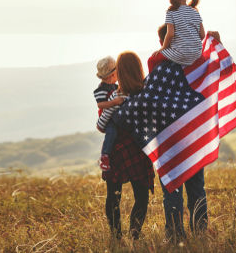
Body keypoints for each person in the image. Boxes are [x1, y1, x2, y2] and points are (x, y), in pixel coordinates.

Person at [149, 23, 218, 242]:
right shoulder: (192, 62)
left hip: (168, 140)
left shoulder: (155, 62)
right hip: (191, 137)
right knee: (196, 187)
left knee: (172, 189)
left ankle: (175, 234)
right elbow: (212, 63)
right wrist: (212, 39)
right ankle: (199, 231)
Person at [99, 52, 155, 240]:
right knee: (141, 196)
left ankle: (117, 237)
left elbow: (100, 126)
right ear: (139, 69)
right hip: (139, 150)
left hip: (117, 150)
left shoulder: (115, 96)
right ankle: (134, 235)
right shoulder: (147, 94)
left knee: (113, 197)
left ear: (120, 72)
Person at [151, 0, 205, 68]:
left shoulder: (171, 12)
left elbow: (170, 34)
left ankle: (153, 82)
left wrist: (163, 48)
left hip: (181, 53)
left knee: (152, 59)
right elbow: (202, 35)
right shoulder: (195, 12)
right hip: (197, 53)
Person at [93, 56, 126, 171]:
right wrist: (114, 102)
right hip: (108, 119)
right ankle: (105, 155)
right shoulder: (101, 89)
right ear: (112, 75)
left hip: (116, 115)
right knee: (111, 132)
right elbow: (100, 105)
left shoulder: (115, 86)